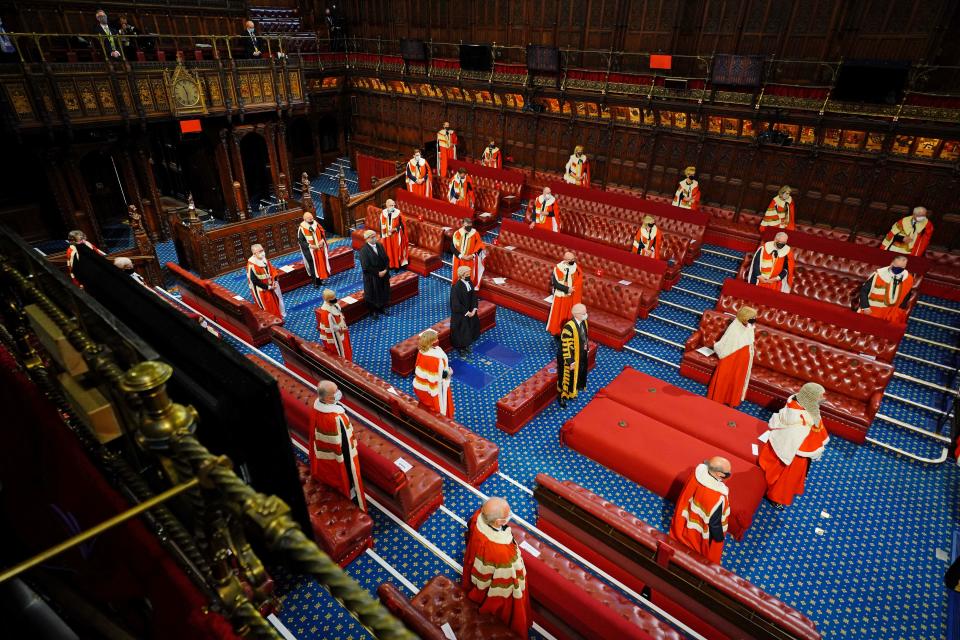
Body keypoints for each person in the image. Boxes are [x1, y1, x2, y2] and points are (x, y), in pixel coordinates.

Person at [461, 497, 532, 639]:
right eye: (508, 514)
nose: (510, 514)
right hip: (493, 588)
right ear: (499, 522)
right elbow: (511, 584)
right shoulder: (504, 553)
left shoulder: (477, 517)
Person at [758, 382, 830, 509]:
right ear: (811, 397)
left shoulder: (802, 404)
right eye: (820, 397)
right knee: (785, 480)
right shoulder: (799, 419)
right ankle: (775, 498)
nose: (823, 399)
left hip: (792, 452)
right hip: (794, 456)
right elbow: (798, 441)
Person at [310, 380, 366, 511]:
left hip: (323, 458)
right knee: (343, 480)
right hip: (338, 461)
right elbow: (346, 449)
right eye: (336, 391)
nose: (338, 393)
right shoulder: (336, 418)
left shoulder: (316, 406)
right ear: (329, 398)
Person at [669, 457, 732, 564]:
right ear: (719, 474)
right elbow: (714, 524)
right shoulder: (717, 497)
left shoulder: (697, 474)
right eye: (728, 474)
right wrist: (719, 539)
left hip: (687, 521)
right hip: (699, 534)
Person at [706, 306, 757, 408]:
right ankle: (718, 399)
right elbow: (726, 343)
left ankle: (731, 400)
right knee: (725, 378)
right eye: (753, 317)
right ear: (745, 317)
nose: (754, 319)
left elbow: (749, 341)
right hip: (730, 356)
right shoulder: (734, 327)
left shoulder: (750, 326)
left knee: (737, 379)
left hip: (742, 358)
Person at [857, 255, 914, 324]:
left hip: (892, 314)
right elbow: (864, 291)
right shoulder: (878, 274)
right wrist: (865, 307)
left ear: (905, 266)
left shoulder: (908, 278)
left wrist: (899, 312)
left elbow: (906, 297)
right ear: (892, 263)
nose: (898, 269)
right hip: (873, 310)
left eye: (901, 267)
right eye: (896, 265)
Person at [413, 329, 454, 417]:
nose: (437, 340)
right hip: (434, 389)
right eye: (435, 339)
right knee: (437, 411)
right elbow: (439, 377)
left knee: (426, 407)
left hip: (421, 387)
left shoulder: (421, 351)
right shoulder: (436, 358)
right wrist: (449, 373)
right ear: (430, 341)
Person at [557, 303, 589, 408]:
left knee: (577, 374)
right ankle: (562, 397)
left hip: (581, 355)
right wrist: (571, 361)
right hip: (568, 358)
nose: (586, 315)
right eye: (584, 313)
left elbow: (585, 338)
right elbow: (565, 346)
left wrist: (586, 349)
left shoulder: (584, 322)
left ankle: (572, 392)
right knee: (565, 378)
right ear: (577, 314)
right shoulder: (568, 327)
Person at [546, 252, 582, 336]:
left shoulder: (576, 268)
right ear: (565, 260)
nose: (573, 261)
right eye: (571, 260)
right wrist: (567, 289)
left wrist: (573, 289)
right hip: (560, 296)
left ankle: (566, 330)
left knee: (568, 313)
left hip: (571, 296)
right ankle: (557, 330)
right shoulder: (558, 268)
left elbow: (579, 280)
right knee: (558, 313)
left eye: (574, 259)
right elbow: (555, 284)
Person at [246, 244, 284, 319]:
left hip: (270, 285)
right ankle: (273, 321)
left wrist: (274, 279)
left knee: (275, 302)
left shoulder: (263, 259)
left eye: (262, 250)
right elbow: (254, 281)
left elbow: (271, 269)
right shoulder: (251, 265)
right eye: (260, 251)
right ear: (254, 253)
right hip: (262, 289)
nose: (262, 253)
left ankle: (278, 318)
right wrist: (268, 287)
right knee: (269, 306)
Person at [358, 230, 391, 316]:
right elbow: (366, 266)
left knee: (383, 291)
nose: (374, 238)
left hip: (383, 274)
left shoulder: (379, 245)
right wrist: (377, 273)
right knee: (372, 293)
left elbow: (386, 259)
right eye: (372, 237)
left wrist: (385, 270)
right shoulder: (363, 250)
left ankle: (382, 308)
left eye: (375, 236)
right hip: (372, 277)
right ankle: (373, 311)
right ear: (367, 239)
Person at [450, 266, 480, 356]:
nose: (469, 275)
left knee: (469, 329)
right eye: (467, 274)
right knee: (461, 331)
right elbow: (455, 304)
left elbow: (474, 297)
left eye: (469, 274)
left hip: (470, 311)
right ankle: (460, 348)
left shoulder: (470, 282)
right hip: (460, 313)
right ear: (462, 275)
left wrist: (474, 309)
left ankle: (466, 345)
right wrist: (467, 312)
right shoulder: (456, 287)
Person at [317, 289, 352, 360]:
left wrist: (341, 318)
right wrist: (341, 329)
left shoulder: (334, 305)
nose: (334, 300)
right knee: (342, 352)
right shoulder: (326, 313)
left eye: (334, 298)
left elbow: (338, 313)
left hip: (342, 331)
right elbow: (331, 327)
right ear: (326, 300)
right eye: (331, 299)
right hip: (336, 336)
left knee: (347, 348)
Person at [297, 211, 329, 288]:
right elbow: (301, 241)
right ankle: (315, 282)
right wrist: (310, 246)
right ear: (304, 219)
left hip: (319, 249)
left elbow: (322, 233)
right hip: (310, 251)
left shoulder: (316, 224)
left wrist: (322, 240)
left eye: (311, 217)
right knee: (313, 266)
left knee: (319, 264)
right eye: (309, 218)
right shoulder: (302, 228)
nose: (311, 219)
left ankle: (320, 280)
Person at [452, 218, 485, 288]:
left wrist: (473, 255)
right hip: (459, 259)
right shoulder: (457, 233)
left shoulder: (475, 234)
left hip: (470, 260)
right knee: (458, 277)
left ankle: (469, 289)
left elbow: (480, 246)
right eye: (467, 226)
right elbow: (452, 247)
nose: (469, 228)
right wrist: (460, 256)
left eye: (470, 226)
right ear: (463, 225)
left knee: (469, 278)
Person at [379, 199, 408, 271]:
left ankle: (397, 265)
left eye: (393, 205)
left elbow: (403, 224)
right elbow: (381, 225)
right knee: (388, 250)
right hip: (387, 236)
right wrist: (383, 235)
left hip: (396, 236)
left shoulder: (398, 213)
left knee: (396, 250)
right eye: (391, 205)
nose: (393, 207)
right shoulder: (383, 214)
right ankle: (390, 264)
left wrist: (395, 229)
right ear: (387, 206)